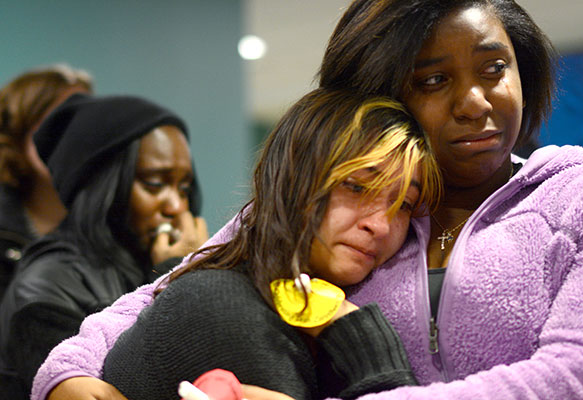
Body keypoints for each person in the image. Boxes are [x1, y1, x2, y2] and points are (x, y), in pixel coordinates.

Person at [34, 0, 583, 399]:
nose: (475, 101)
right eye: (435, 79)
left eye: (494, 68)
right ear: (385, 95)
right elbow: (159, 294)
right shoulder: (321, 207)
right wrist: (69, 371)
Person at [101, 88, 441, 400]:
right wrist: (368, 343)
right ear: (292, 179)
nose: (380, 225)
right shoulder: (223, 305)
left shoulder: (274, 298)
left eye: (405, 204)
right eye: (355, 187)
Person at [0, 93, 209, 399]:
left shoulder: (143, 258)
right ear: (103, 187)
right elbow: (127, 387)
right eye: (154, 184)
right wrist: (174, 275)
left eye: (184, 187)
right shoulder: (47, 283)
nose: (177, 206)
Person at [0, 64, 93, 299]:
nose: (72, 136)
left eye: (83, 122)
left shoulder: (111, 221)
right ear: (18, 133)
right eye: (55, 122)